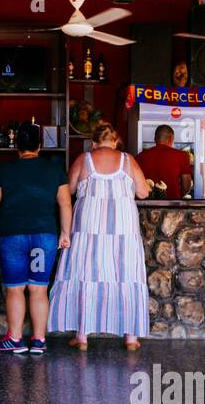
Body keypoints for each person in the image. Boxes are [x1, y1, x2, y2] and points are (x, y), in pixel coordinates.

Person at [48, 122, 150, 351]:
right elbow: (143, 192)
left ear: (93, 143)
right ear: (115, 142)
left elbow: (69, 190)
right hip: (123, 226)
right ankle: (131, 337)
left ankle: (82, 336)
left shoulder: (84, 160)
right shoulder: (128, 160)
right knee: (126, 272)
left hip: (89, 223)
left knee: (85, 270)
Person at [0, 122, 71, 355]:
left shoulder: (4, 170)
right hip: (44, 236)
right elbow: (65, 203)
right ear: (40, 146)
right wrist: (65, 233)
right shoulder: (55, 170)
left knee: (15, 289)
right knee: (39, 289)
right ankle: (39, 341)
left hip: (12, 236)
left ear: (17, 146)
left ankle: (16, 339)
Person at [135, 124, 193, 200]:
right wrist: (178, 196)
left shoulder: (140, 156)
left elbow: (135, 185)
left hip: (147, 204)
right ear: (171, 138)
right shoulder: (182, 156)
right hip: (172, 204)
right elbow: (186, 186)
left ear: (155, 139)